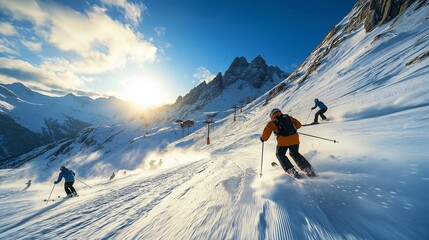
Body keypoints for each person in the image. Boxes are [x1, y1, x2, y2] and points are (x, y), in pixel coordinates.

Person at [260, 108, 315, 178]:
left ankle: (290, 169)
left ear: (271, 115)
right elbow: (299, 125)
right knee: (294, 153)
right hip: (295, 139)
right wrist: (291, 129)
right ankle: (307, 168)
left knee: (280, 154)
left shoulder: (271, 123)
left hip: (283, 142)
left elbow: (265, 136)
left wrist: (262, 138)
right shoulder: (288, 117)